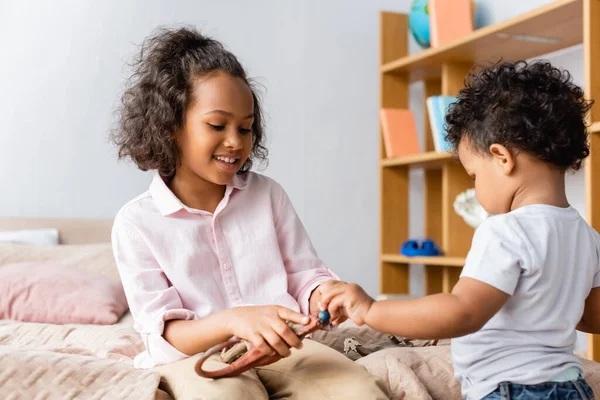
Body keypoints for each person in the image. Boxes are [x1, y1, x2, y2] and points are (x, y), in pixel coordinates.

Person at [110, 26, 388, 400]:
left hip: (286, 349)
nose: (235, 142)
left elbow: (303, 275)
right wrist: (234, 320)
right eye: (217, 125)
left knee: (358, 392)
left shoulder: (267, 195)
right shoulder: (136, 224)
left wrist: (323, 293)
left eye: (246, 128)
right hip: (197, 358)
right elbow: (164, 333)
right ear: (170, 125)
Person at [318, 60, 599, 400]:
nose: (476, 187)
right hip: (572, 386)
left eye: (474, 175)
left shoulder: (505, 232)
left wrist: (371, 310)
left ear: (501, 158)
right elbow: (592, 317)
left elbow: (462, 312)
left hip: (511, 389)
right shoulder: (586, 235)